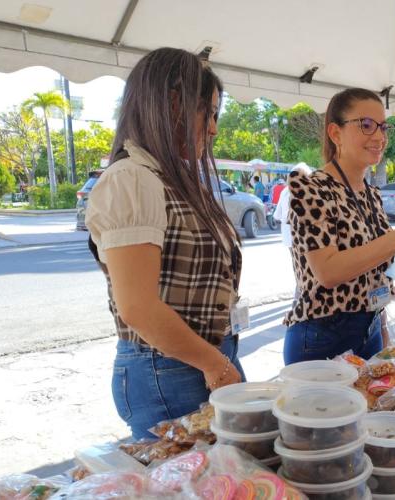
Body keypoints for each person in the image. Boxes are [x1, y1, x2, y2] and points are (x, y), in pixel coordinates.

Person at [85, 48, 245, 440]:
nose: (213, 129)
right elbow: (138, 308)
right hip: (169, 368)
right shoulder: (132, 179)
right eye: (209, 113)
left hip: (197, 361)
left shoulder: (169, 177)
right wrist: (216, 365)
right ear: (173, 103)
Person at [283, 88, 395, 364]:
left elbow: (375, 266)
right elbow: (328, 272)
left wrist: (382, 332)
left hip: (369, 329)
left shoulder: (370, 194)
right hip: (322, 336)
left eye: (383, 127)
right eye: (367, 125)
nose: (380, 137)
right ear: (335, 134)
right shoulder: (310, 187)